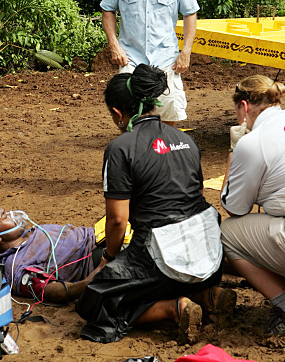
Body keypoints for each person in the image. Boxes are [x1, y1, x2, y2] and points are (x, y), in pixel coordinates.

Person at [76, 64, 236, 344]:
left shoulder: (121, 148)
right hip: (209, 256)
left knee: (94, 301)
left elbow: (116, 220)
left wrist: (110, 260)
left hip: (159, 254)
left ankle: (174, 309)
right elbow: (195, 192)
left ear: (117, 113)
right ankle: (207, 295)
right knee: (147, 277)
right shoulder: (186, 140)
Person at [100, 0, 200, 126]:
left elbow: (190, 13)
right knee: (126, 106)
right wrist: (114, 45)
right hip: (131, 57)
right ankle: (134, 148)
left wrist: (186, 51)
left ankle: (163, 149)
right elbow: (107, 9)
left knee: (170, 107)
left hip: (166, 56)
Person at [220, 75, 285, 336]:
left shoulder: (251, 142)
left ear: (244, 107)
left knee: (228, 233)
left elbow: (234, 207)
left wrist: (234, 149)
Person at [0, 207, 103, 305]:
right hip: (96, 257)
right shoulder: (17, 267)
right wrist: (97, 274)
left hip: (100, 235)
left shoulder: (26, 233)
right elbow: (59, 292)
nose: (13, 215)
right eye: (5, 216)